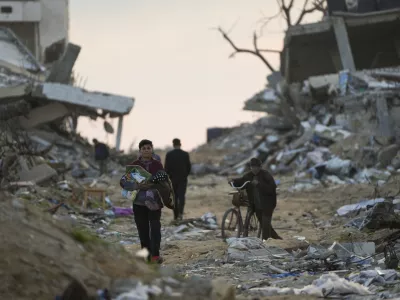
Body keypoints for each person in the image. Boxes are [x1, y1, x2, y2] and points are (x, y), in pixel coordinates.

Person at [120, 139, 167, 264]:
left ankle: (155, 256)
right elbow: (124, 182)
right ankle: (146, 256)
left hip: (154, 202)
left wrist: (151, 183)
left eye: (148, 148)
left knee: (155, 228)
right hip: (139, 202)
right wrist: (137, 186)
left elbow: (163, 178)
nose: (146, 150)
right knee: (143, 229)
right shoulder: (134, 166)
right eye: (144, 148)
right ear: (140, 151)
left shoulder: (157, 165)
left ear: (152, 149)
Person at [229, 158, 282, 241]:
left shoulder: (266, 175)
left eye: (256, 167)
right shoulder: (248, 175)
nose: (254, 169)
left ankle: (265, 242)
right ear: (250, 167)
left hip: (267, 204)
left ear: (260, 167)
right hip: (256, 205)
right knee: (264, 224)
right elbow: (241, 181)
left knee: (265, 224)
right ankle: (276, 238)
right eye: (252, 167)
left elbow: (272, 188)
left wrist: (259, 185)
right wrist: (233, 181)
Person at [165, 138, 191, 221]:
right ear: (180, 144)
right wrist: (185, 175)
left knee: (174, 198)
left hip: (172, 179)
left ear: (173, 144)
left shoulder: (169, 154)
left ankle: (175, 216)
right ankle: (180, 213)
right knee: (182, 196)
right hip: (182, 179)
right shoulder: (185, 154)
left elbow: (166, 168)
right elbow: (189, 167)